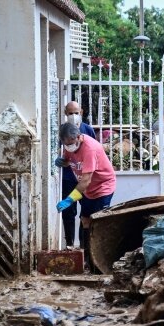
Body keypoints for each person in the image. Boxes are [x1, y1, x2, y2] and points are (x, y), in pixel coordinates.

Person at [55, 122, 116, 269]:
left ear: (78, 137)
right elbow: (69, 160)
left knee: (98, 223)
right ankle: (88, 260)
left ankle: (100, 262)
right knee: (85, 220)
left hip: (102, 187)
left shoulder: (90, 148)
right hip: (88, 190)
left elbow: (85, 181)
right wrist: (62, 162)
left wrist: (69, 200)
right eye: (65, 144)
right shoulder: (69, 146)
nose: (68, 146)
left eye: (70, 143)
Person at [60, 101, 96, 248]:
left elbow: (95, 152)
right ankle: (69, 244)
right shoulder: (63, 130)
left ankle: (83, 246)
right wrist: (60, 160)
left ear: (81, 112)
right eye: (70, 113)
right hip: (69, 177)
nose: (73, 116)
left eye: (76, 112)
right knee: (68, 212)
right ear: (65, 113)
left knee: (85, 214)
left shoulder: (88, 130)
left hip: (85, 179)